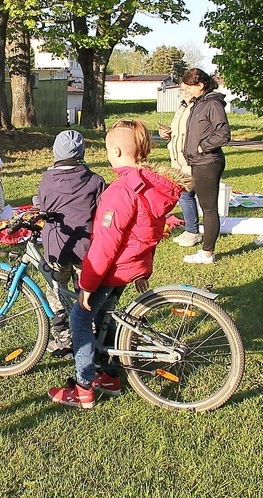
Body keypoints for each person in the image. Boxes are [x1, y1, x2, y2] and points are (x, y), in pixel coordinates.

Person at [47, 119, 191, 409]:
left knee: (80, 318)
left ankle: (83, 386)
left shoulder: (120, 191)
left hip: (112, 271)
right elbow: (148, 233)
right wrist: (142, 269)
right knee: (106, 317)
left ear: (115, 151)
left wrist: (87, 285)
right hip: (130, 269)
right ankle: (109, 375)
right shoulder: (151, 187)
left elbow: (104, 245)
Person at [37, 130, 105, 358]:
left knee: (56, 290)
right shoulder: (95, 180)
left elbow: (44, 207)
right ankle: (89, 332)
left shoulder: (47, 180)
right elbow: (100, 211)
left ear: (55, 152)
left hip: (57, 247)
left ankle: (62, 336)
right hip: (86, 249)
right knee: (84, 291)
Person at [180, 68, 231, 264]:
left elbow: (224, 133)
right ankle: (206, 250)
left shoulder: (212, 104)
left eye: (190, 87)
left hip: (208, 162)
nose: (187, 91)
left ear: (201, 85)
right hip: (198, 162)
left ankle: (207, 253)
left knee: (208, 209)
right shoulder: (198, 104)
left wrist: (202, 147)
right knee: (205, 207)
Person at [159, 86, 202, 248]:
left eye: (186, 90)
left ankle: (193, 231)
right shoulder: (182, 107)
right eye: (181, 91)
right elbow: (178, 131)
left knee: (187, 194)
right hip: (177, 159)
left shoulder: (198, 107)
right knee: (184, 194)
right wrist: (168, 134)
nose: (184, 94)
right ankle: (191, 229)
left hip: (190, 159)